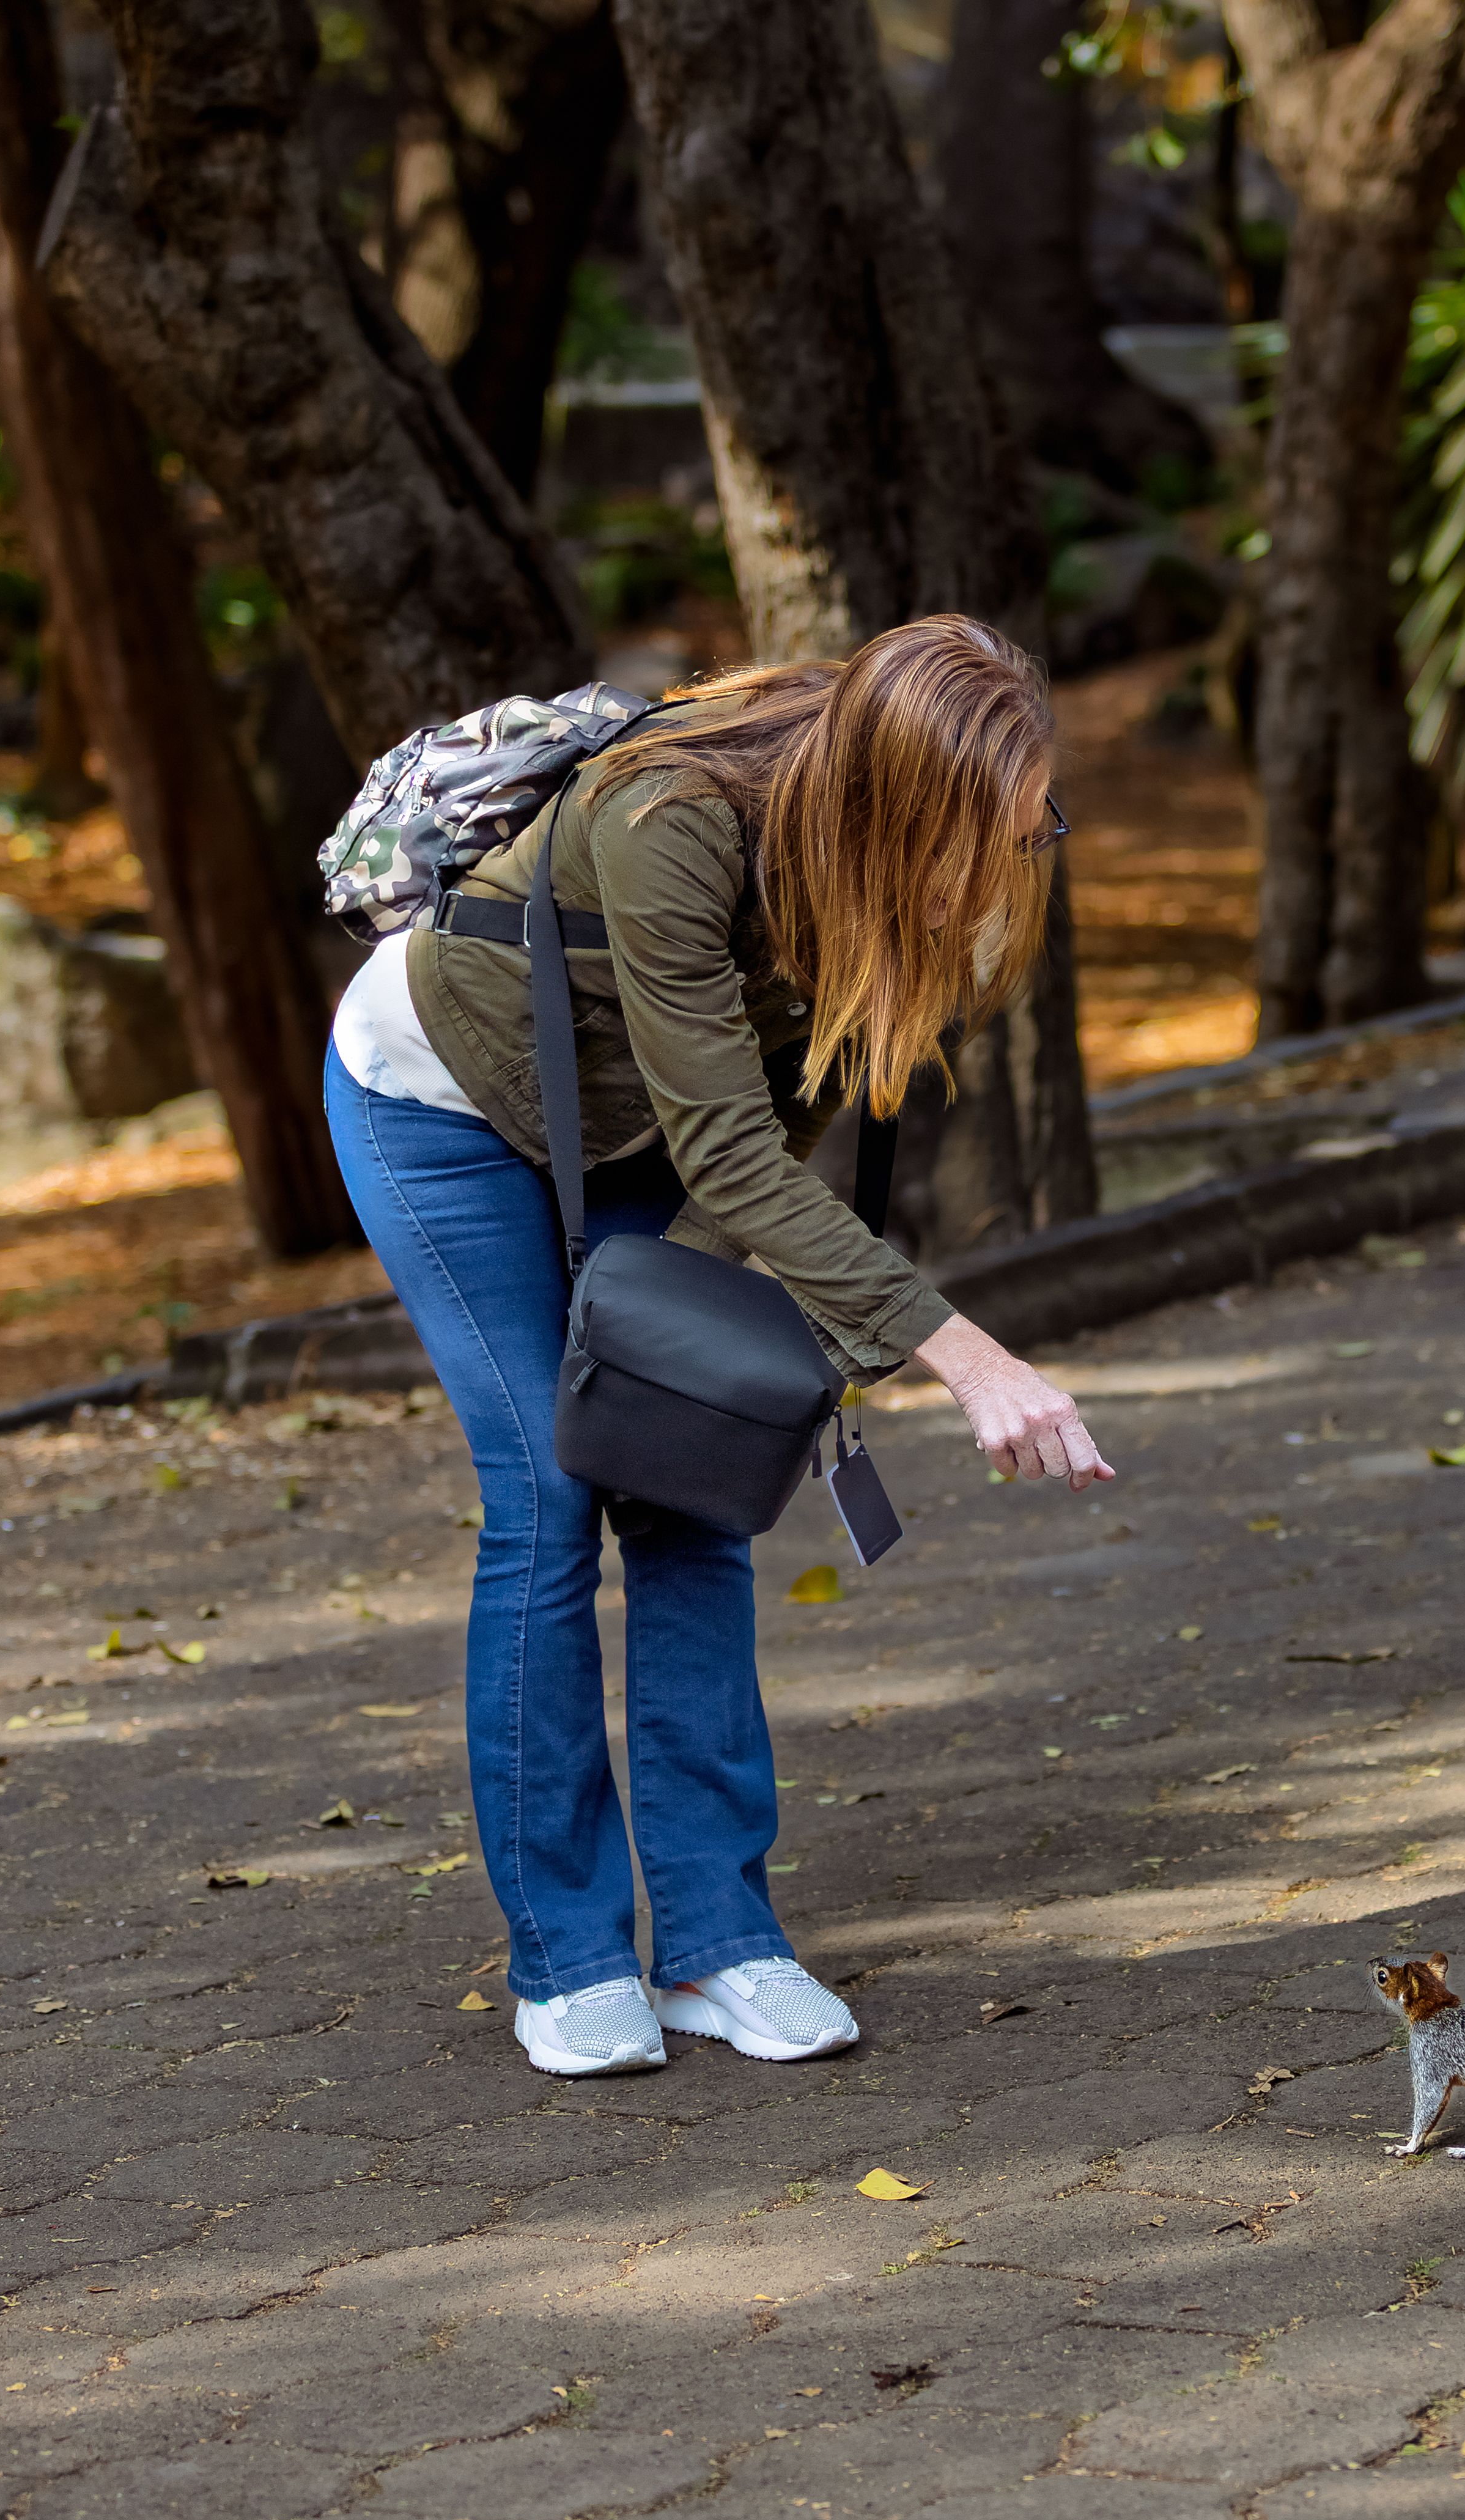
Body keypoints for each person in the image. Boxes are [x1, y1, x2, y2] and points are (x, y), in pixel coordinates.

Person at [322, 615, 1114, 2078]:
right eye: (995, 832)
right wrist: (967, 1355)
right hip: (443, 1103)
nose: (1017, 858)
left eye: (1034, 821)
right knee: (548, 1501)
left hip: (626, 1123)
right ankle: (566, 1960)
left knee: (686, 1482)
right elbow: (738, 1149)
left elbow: (777, 1104)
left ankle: (717, 1941)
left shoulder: (864, 863)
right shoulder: (675, 821)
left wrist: (717, 1342)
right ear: (901, 806)